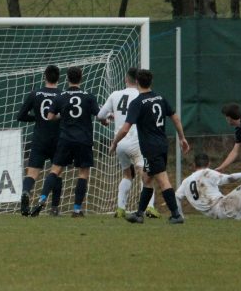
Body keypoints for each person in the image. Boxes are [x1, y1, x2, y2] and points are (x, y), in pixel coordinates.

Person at [109, 69, 190, 224]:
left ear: (137, 82)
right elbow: (176, 118)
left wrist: (114, 143)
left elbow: (125, 129)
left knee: (163, 180)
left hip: (151, 148)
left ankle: (176, 215)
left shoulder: (137, 102)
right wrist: (182, 138)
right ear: (151, 82)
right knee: (147, 178)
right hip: (161, 144)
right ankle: (139, 214)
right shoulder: (160, 98)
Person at [30, 66, 100, 217]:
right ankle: (76, 210)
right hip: (83, 140)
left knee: (55, 170)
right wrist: (107, 119)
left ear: (67, 79)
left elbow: (49, 117)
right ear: (81, 78)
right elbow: (99, 115)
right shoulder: (89, 96)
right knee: (83, 173)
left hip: (65, 139)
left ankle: (42, 199)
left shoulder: (61, 96)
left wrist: (61, 116)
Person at [97, 67, 160, 219]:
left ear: (126, 79)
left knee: (127, 175)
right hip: (137, 141)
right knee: (146, 175)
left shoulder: (115, 94)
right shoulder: (142, 95)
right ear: (138, 80)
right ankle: (150, 207)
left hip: (120, 142)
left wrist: (107, 119)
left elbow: (100, 116)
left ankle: (120, 209)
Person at [16, 65, 63, 216]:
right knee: (56, 173)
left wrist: (36, 118)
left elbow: (21, 116)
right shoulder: (62, 95)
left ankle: (25, 192)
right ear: (58, 78)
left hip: (39, 139)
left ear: (45, 77)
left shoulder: (34, 94)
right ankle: (54, 208)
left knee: (32, 173)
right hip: (57, 139)